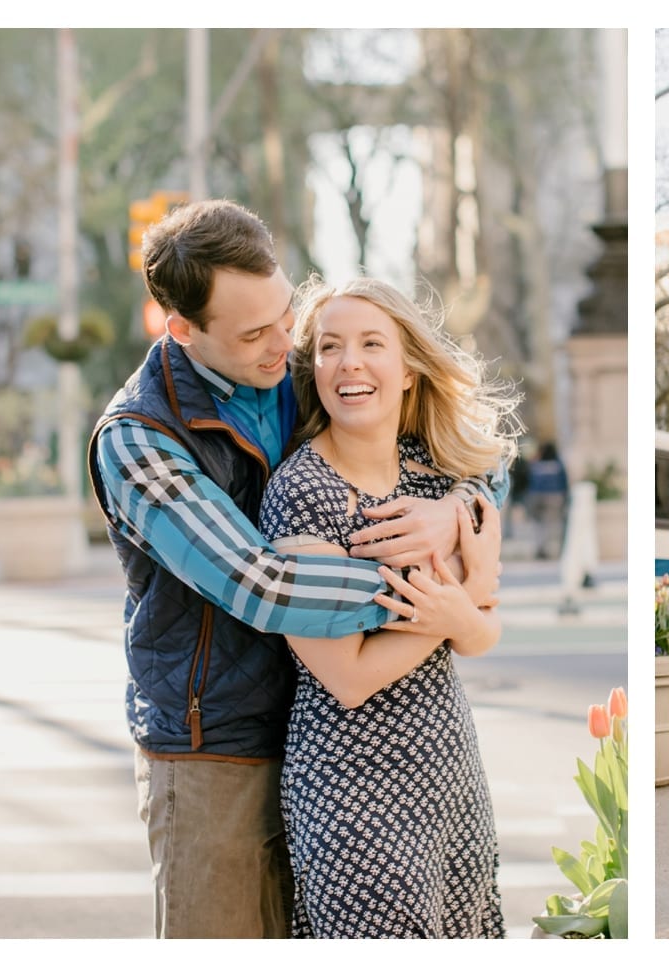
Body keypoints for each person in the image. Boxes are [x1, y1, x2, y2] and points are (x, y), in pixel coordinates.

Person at [87, 199, 506, 939]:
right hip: (218, 749)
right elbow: (262, 584)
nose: (288, 342)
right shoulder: (138, 440)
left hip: (324, 735)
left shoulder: (296, 369)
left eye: (285, 314)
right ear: (182, 330)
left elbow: (452, 451)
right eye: (255, 332)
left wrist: (458, 513)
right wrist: (451, 591)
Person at [259, 274, 520, 937]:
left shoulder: (437, 480)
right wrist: (453, 607)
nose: (349, 362)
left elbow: (484, 631)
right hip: (352, 791)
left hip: (449, 772)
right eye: (330, 347)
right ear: (313, 369)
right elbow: (346, 676)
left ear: (408, 370)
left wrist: (461, 609)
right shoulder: (299, 493)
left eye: (372, 343)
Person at [526, 440, 568, 558]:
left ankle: (540, 547)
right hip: (554, 496)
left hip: (536, 496)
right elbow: (563, 481)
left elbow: (530, 480)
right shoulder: (558, 464)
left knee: (538, 524)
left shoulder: (537, 463)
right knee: (551, 524)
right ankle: (549, 547)